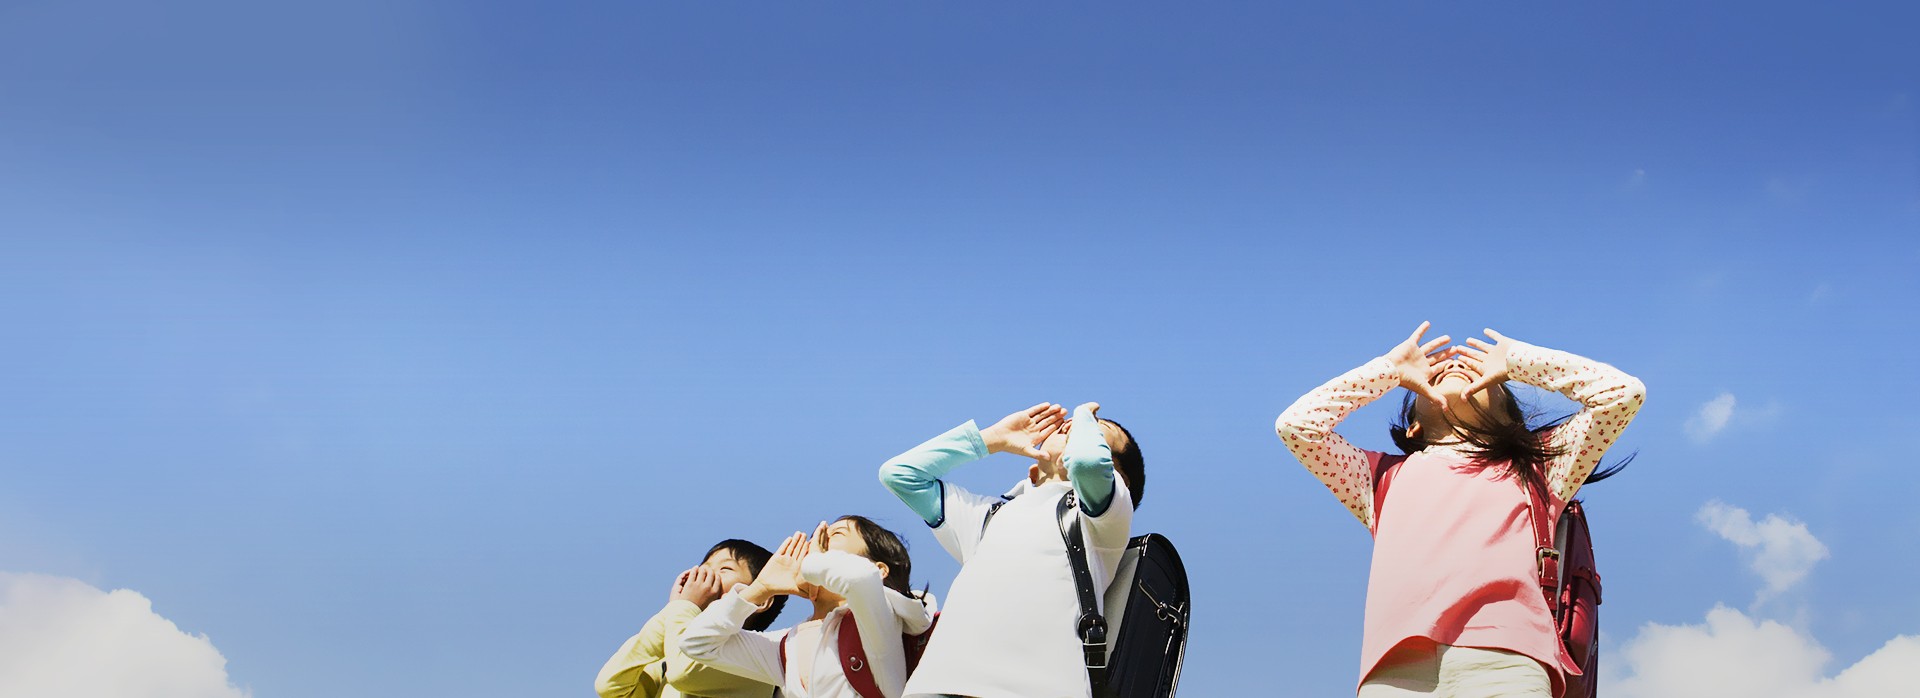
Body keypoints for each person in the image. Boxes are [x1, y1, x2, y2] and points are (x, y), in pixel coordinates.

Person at [1275, 322, 1645, 698]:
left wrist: (1518, 361)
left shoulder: (1541, 470)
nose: (1454, 367)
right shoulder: (1378, 479)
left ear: (1508, 420)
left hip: (1507, 664)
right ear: (1414, 427)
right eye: (1435, 374)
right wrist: (1388, 370)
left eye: (1479, 372)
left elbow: (1622, 395)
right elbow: (1297, 427)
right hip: (1394, 673)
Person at [879, 401, 1145, 698]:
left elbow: (1087, 464)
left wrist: (1084, 414)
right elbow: (899, 475)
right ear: (1032, 473)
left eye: (1098, 429)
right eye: (1068, 425)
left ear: (1120, 479)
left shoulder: (1104, 520)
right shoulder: (988, 516)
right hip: (936, 686)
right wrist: (992, 438)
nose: (1070, 424)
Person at [680, 517, 933, 698]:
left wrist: (813, 564)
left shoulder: (880, 618)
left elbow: (859, 577)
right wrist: (760, 588)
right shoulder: (786, 644)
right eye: (815, 541)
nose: (814, 545)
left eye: (835, 535)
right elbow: (696, 644)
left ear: (880, 570)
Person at [595, 539, 789, 698]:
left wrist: (684, 606)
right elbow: (611, 687)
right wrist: (672, 612)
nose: (706, 575)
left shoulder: (753, 660)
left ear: (760, 599)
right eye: (704, 568)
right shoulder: (666, 665)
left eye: (725, 569)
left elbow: (683, 673)